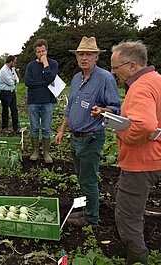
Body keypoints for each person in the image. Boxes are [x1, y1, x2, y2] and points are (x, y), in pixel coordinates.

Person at [55, 36, 120, 226]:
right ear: (77, 57)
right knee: (82, 178)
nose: (84, 58)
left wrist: (102, 110)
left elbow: (116, 108)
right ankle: (85, 211)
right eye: (81, 54)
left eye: (89, 54)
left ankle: (91, 219)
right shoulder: (76, 78)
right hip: (75, 138)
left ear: (96, 57)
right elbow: (69, 108)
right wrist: (61, 130)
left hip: (91, 138)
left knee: (89, 180)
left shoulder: (105, 78)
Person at [110, 41, 161, 265]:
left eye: (115, 67)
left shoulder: (140, 86)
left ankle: (137, 259)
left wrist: (124, 135)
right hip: (156, 156)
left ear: (131, 65)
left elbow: (145, 125)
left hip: (141, 162)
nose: (113, 72)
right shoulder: (156, 80)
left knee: (128, 215)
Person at [25, 39, 58, 163]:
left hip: (48, 100)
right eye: (39, 52)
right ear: (35, 53)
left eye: (43, 51)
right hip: (33, 100)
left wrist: (45, 64)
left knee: (46, 127)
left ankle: (46, 152)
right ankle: (35, 151)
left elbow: (50, 77)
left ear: (47, 51)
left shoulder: (53, 63)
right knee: (34, 127)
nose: (41, 54)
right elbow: (28, 82)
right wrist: (45, 83)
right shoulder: (31, 65)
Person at [0, 55, 19, 134]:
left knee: (14, 110)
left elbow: (17, 80)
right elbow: (10, 82)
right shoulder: (4, 70)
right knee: (5, 110)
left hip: (12, 91)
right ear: (11, 62)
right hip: (5, 92)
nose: (15, 63)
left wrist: (14, 79)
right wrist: (13, 80)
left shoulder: (12, 69)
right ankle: (5, 127)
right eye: (14, 62)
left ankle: (16, 127)